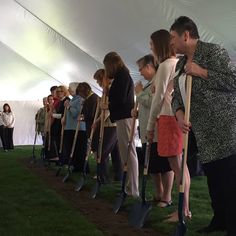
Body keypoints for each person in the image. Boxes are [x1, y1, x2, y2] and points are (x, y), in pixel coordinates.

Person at [170, 16, 236, 235]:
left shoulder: (213, 52)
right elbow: (175, 97)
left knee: (229, 182)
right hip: (202, 133)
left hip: (224, 130)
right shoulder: (179, 64)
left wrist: (201, 71)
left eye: (173, 38)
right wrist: (179, 114)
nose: (171, 43)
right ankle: (219, 220)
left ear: (185, 35)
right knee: (214, 182)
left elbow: (233, 81)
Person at [146, 30, 191, 219]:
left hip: (168, 117)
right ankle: (184, 209)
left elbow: (158, 99)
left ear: (159, 45)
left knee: (177, 166)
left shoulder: (166, 65)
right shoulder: (177, 63)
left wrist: (149, 126)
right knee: (181, 166)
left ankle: (183, 210)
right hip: (176, 117)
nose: (150, 47)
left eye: (151, 44)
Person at [135, 54, 174, 206]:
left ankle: (167, 196)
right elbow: (146, 106)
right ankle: (158, 193)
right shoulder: (148, 84)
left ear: (150, 66)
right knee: (151, 166)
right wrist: (137, 113)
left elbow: (153, 102)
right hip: (146, 130)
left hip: (158, 131)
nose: (140, 72)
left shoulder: (157, 81)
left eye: (141, 69)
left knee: (164, 166)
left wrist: (138, 93)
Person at [103, 52, 139, 197]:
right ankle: (130, 186)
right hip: (123, 117)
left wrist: (108, 95)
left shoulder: (123, 76)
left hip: (125, 117)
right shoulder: (121, 76)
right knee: (127, 153)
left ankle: (133, 189)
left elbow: (120, 98)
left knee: (129, 153)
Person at [93, 69, 122, 183]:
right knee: (116, 152)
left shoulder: (109, 90)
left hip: (110, 125)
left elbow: (108, 109)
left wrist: (98, 121)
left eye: (98, 80)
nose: (97, 83)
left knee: (102, 151)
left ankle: (103, 176)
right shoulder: (105, 91)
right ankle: (119, 176)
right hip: (112, 124)